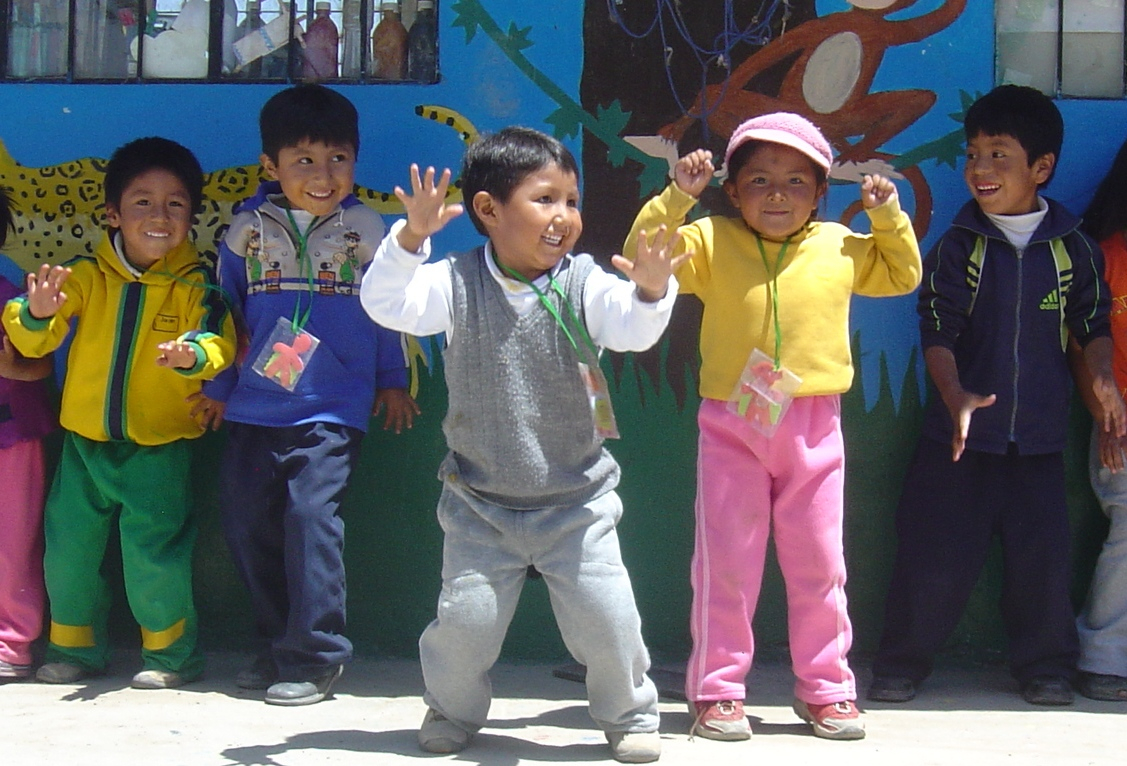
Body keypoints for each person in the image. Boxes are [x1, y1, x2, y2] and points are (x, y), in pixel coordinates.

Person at [360, 127, 685, 764]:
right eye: (545, 199)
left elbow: (630, 329)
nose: (564, 215)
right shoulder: (451, 283)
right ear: (488, 210)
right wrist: (409, 239)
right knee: (465, 626)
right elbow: (386, 303)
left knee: (609, 620)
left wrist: (649, 291)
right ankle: (450, 710)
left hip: (578, 503)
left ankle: (630, 716)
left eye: (571, 198)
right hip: (479, 504)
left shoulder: (585, 281)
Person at [623, 112, 921, 741]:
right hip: (732, 426)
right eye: (758, 180)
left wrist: (886, 217)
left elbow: (902, 274)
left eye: (795, 181)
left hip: (814, 427)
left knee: (819, 562)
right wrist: (678, 194)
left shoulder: (842, 245)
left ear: (820, 193)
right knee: (726, 562)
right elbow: (643, 252)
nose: (777, 194)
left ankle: (827, 688)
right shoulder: (709, 240)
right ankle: (717, 690)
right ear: (733, 192)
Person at [868, 85, 1126, 707]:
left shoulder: (1073, 250)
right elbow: (939, 329)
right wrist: (954, 395)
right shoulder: (958, 247)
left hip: (1037, 442)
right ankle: (902, 662)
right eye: (973, 154)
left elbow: (1091, 326)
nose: (980, 170)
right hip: (954, 444)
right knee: (932, 558)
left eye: (999, 155)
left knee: (1041, 565)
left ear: (1042, 168)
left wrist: (1102, 378)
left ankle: (1046, 668)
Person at [201, 84, 417, 707]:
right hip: (252, 404)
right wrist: (218, 388)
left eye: (339, 159)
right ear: (270, 166)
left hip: (331, 407)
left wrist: (392, 381)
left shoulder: (368, 228)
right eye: (304, 161)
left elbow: (387, 312)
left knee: (309, 520)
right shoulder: (244, 232)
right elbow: (226, 317)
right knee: (245, 525)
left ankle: (316, 655)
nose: (324, 176)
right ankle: (275, 642)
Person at [1, 136, 237, 688]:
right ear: (113, 213)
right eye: (142, 202)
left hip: (159, 448)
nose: (159, 216)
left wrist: (193, 356)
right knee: (69, 553)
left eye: (175, 204)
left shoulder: (195, 282)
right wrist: (35, 314)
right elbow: (34, 340)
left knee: (155, 554)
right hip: (83, 446)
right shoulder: (84, 275)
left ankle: (171, 656)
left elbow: (219, 340)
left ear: (192, 216)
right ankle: (74, 649)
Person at [1065, 135, 1127, 702]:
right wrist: (1105, 417)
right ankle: (1104, 657)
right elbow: (1083, 346)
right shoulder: (1105, 255)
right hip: (1122, 421)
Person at [0, 188, 55, 681]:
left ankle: (11, 643)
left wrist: (10, 368)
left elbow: (41, 368)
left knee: (12, 545)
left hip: (12, 439)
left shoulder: (10, 301)